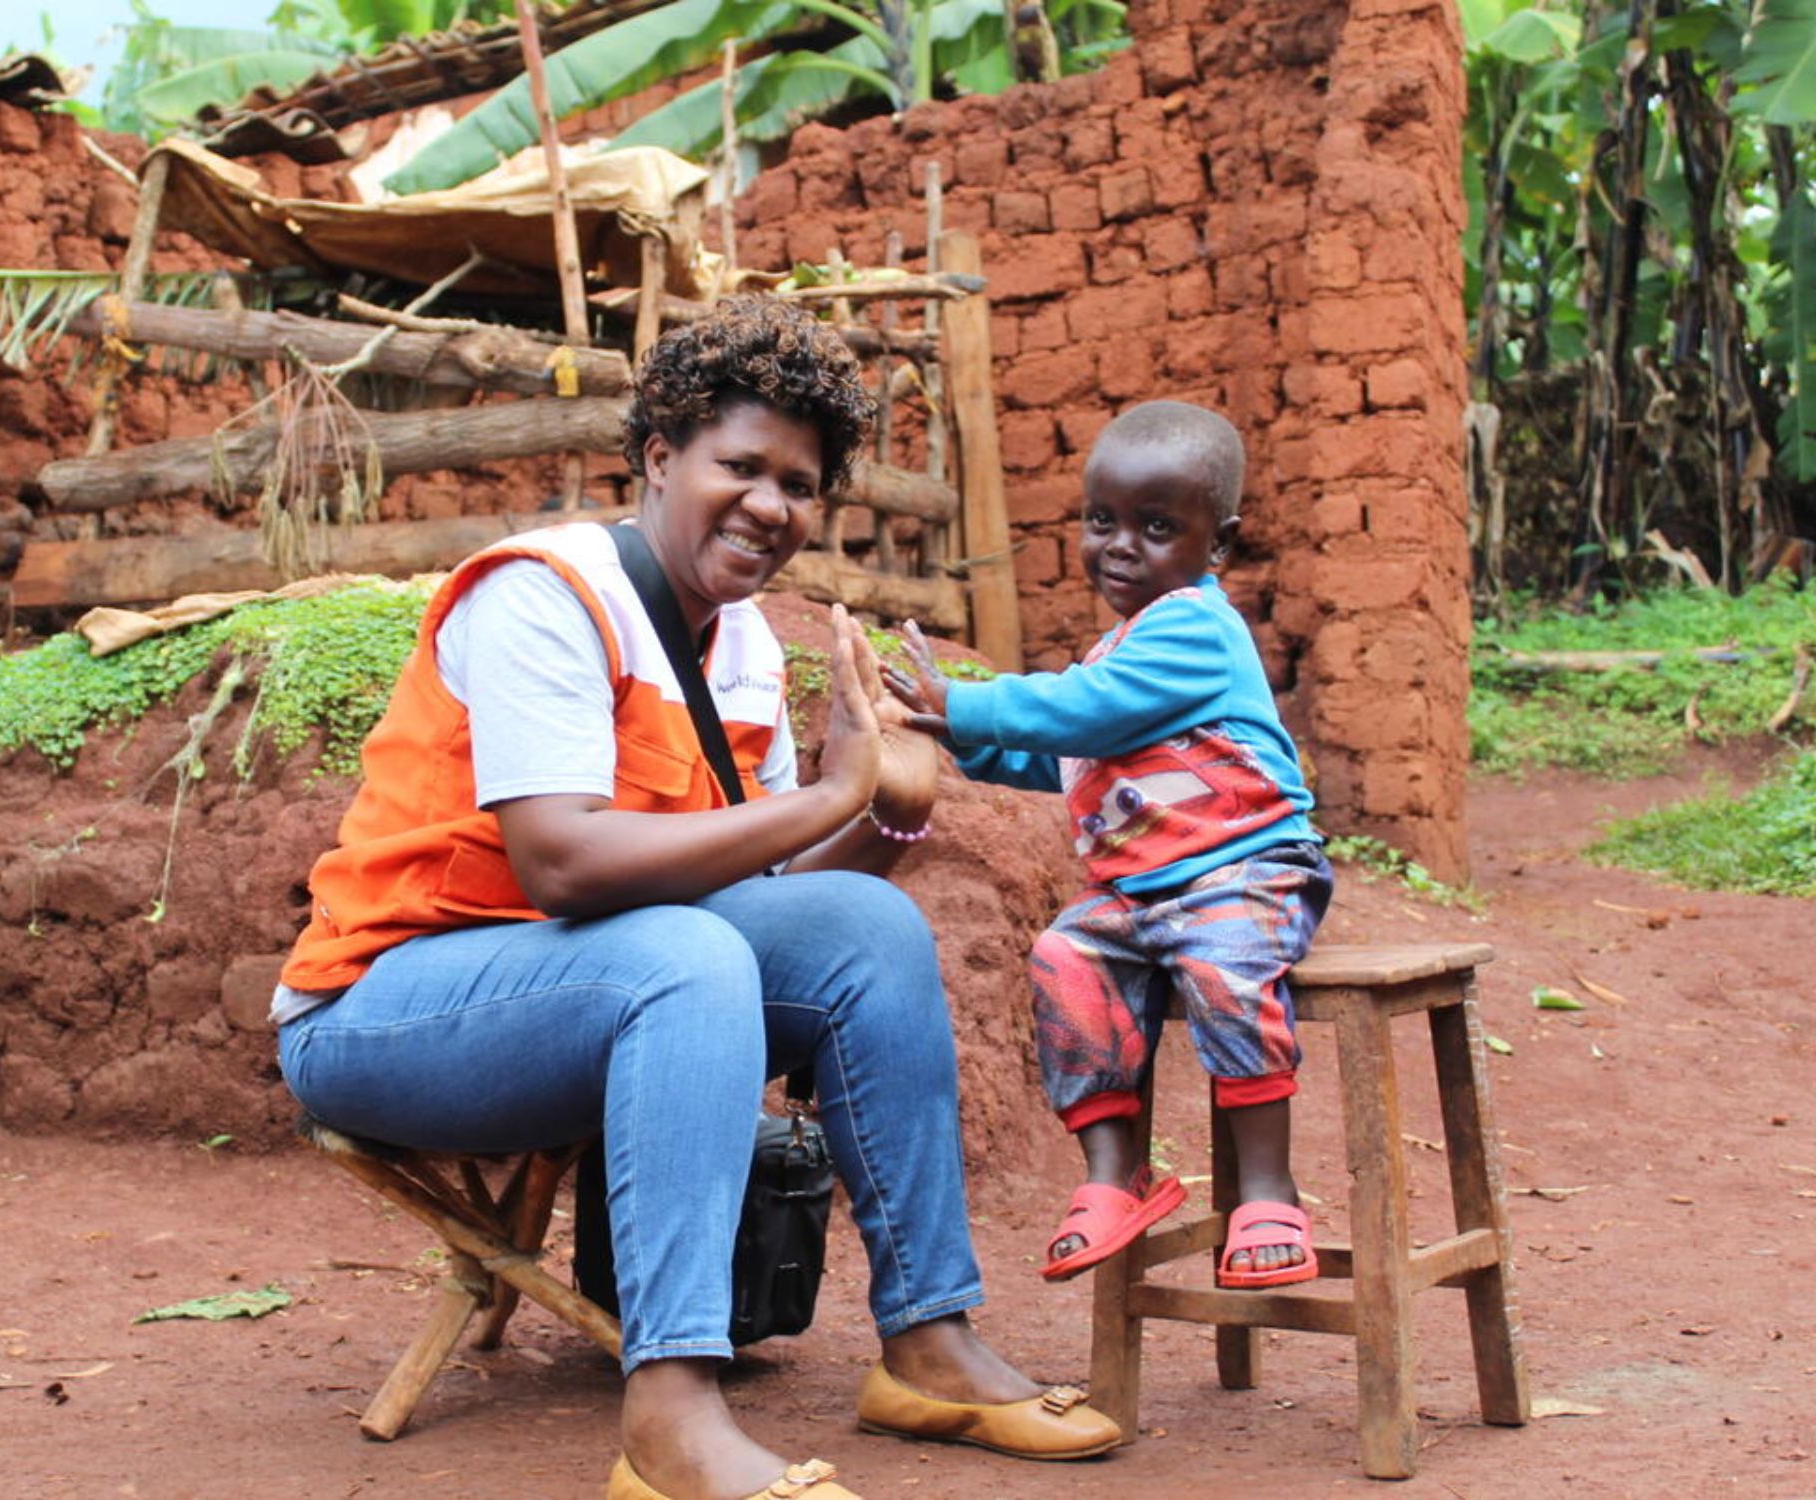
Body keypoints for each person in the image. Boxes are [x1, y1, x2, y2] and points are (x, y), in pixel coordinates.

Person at [272, 298, 1120, 1500]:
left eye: (799, 481)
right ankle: (667, 1413)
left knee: (865, 929)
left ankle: (927, 1342)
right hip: (386, 1010)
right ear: (659, 455)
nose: (770, 504)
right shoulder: (545, 596)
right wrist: (830, 791)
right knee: (682, 957)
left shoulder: (744, 648)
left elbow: (773, 912)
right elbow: (562, 865)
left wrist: (890, 815)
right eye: (740, 465)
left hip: (595, 991)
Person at [885, 400, 1333, 1292]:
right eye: (1102, 521)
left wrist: (967, 698)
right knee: (1061, 958)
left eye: (1157, 527)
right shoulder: (1116, 651)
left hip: (1242, 867)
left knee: (1224, 965)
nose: (1120, 546)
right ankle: (1112, 1172)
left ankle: (1266, 1186)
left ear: (1218, 546)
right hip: (1139, 897)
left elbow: (1082, 710)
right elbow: (1067, 754)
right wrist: (961, 734)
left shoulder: (1192, 628)